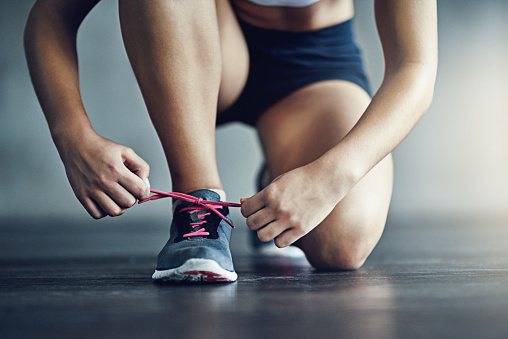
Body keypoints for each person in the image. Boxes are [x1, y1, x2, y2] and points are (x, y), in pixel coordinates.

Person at [24, 0, 437, 283]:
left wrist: (328, 176)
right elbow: (51, 16)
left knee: (343, 245)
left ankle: (286, 165)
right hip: (199, 44)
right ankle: (197, 209)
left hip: (316, 69)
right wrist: (73, 137)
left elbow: (415, 67)